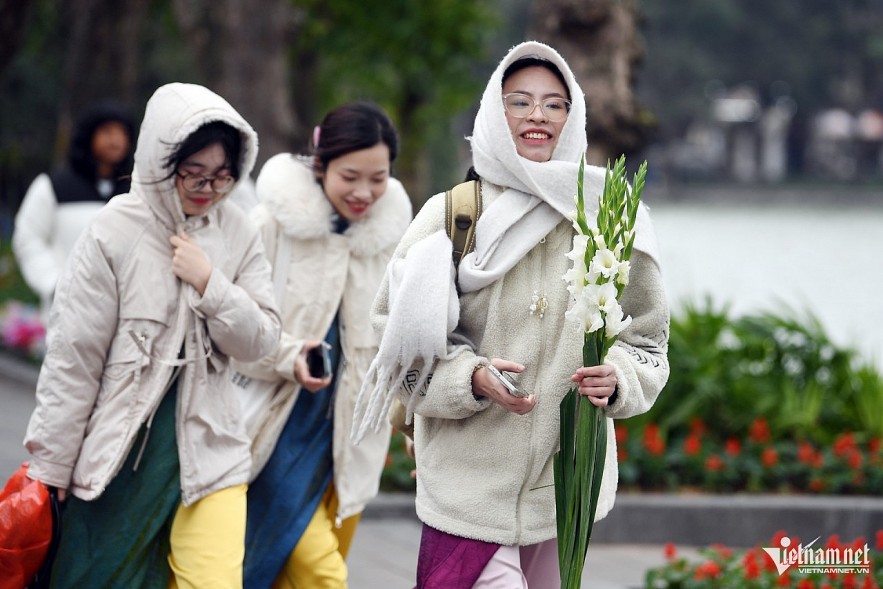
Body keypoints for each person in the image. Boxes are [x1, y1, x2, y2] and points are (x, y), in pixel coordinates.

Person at [352, 41, 670, 588]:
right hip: (465, 493)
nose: (537, 117)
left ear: (574, 116)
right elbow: (393, 340)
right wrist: (468, 378)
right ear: (492, 114)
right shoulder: (452, 215)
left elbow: (647, 340)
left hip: (563, 489)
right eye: (519, 102)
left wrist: (617, 378)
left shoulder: (609, 215)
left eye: (554, 104)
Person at [23, 82, 282, 588]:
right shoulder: (112, 231)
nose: (209, 189)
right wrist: (50, 467)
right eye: (195, 175)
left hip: (212, 447)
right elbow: (74, 362)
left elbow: (263, 342)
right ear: (162, 163)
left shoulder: (238, 231)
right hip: (121, 451)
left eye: (223, 177)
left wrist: (211, 283)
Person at [232, 101, 412, 588]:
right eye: (350, 175)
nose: (364, 192)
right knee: (322, 574)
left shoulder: (390, 244)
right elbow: (227, 327)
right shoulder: (269, 226)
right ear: (320, 163)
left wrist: (415, 427)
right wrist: (288, 356)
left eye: (379, 179)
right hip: (273, 433)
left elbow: (399, 348)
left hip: (348, 446)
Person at [13, 101, 136, 321]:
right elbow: (27, 237)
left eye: (122, 133)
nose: (115, 140)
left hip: (126, 313)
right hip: (67, 313)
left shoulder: (136, 190)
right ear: (89, 136)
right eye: (107, 131)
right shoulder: (54, 185)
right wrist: (54, 283)